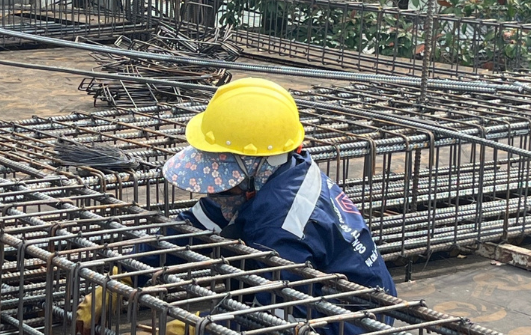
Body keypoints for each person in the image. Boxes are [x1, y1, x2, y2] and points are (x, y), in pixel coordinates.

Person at [161, 77, 396, 296]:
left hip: (350, 312)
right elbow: (195, 225)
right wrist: (141, 261)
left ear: (256, 169)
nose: (216, 192)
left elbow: (281, 313)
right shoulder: (283, 171)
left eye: (225, 182)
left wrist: (206, 323)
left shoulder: (281, 226)